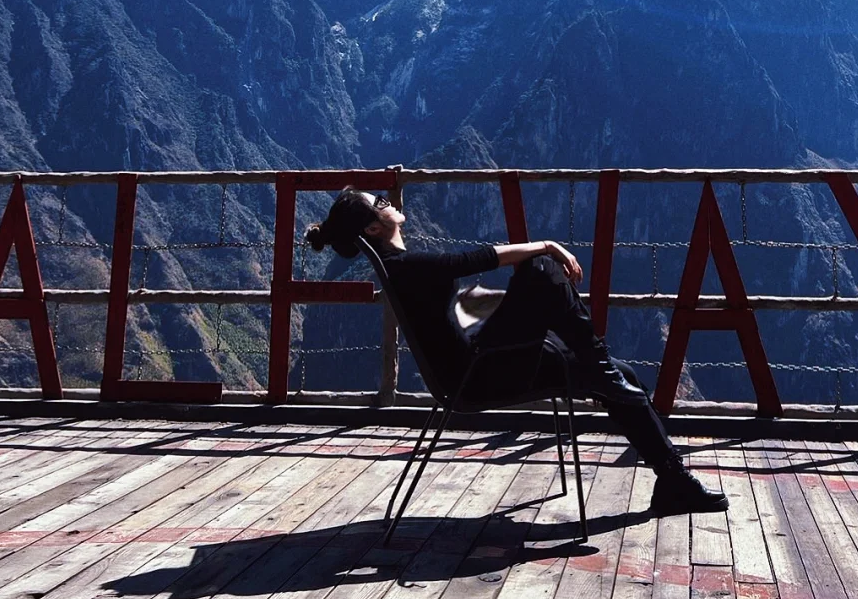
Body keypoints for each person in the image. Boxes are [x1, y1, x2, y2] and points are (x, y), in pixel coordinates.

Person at [306, 188, 728, 516]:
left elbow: (461, 309)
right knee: (543, 273)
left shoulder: (402, 266)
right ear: (374, 229)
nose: (388, 200)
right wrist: (546, 245)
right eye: (379, 202)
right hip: (480, 374)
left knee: (621, 377)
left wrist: (521, 308)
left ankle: (671, 477)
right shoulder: (408, 267)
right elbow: (478, 258)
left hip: (481, 362)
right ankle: (655, 450)